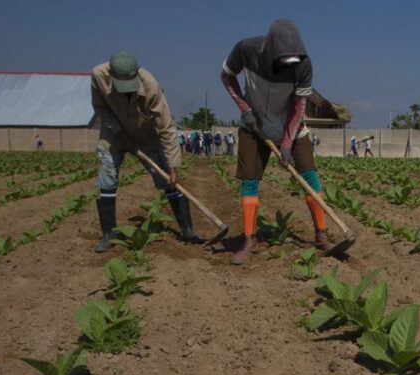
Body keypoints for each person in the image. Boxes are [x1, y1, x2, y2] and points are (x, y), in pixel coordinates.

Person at [221, 18, 335, 264]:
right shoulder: (246, 50)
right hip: (254, 127)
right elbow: (227, 77)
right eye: (284, 60)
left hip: (292, 128)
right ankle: (249, 239)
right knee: (250, 182)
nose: (289, 64)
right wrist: (245, 109)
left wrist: (286, 143)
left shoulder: (303, 66)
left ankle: (321, 234)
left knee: (310, 178)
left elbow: (299, 107)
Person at [90, 51, 203, 253]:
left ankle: (187, 230)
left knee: (168, 180)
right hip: (113, 134)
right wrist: (118, 131)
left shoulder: (150, 86)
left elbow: (166, 128)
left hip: (145, 135)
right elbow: (100, 107)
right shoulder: (99, 75)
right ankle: (109, 234)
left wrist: (174, 167)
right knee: (107, 178)